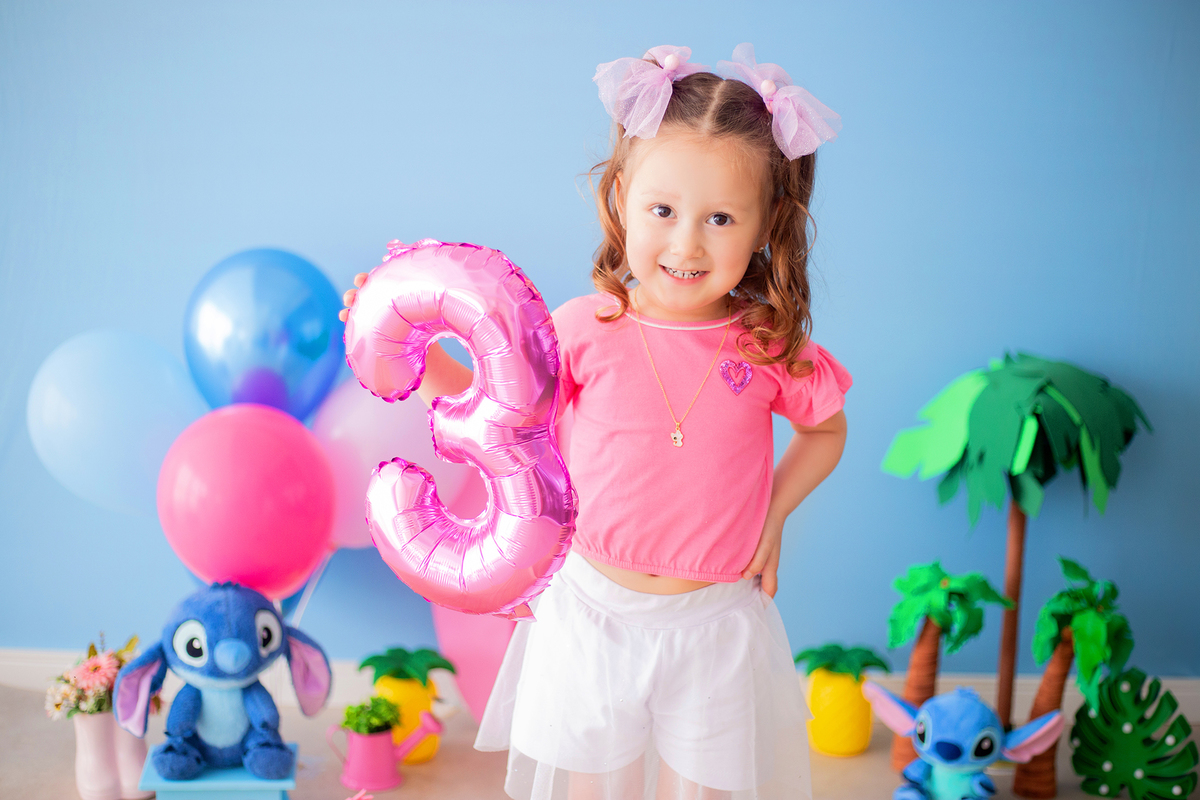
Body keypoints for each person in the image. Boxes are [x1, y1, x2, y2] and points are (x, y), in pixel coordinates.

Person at [341, 43, 849, 800]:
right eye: (663, 211)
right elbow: (500, 406)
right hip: (593, 615)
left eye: (719, 218)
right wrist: (409, 342)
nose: (686, 243)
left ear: (766, 224)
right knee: (594, 788)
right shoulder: (585, 327)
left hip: (714, 625)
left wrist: (773, 514)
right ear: (620, 197)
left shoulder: (769, 347)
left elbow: (826, 430)